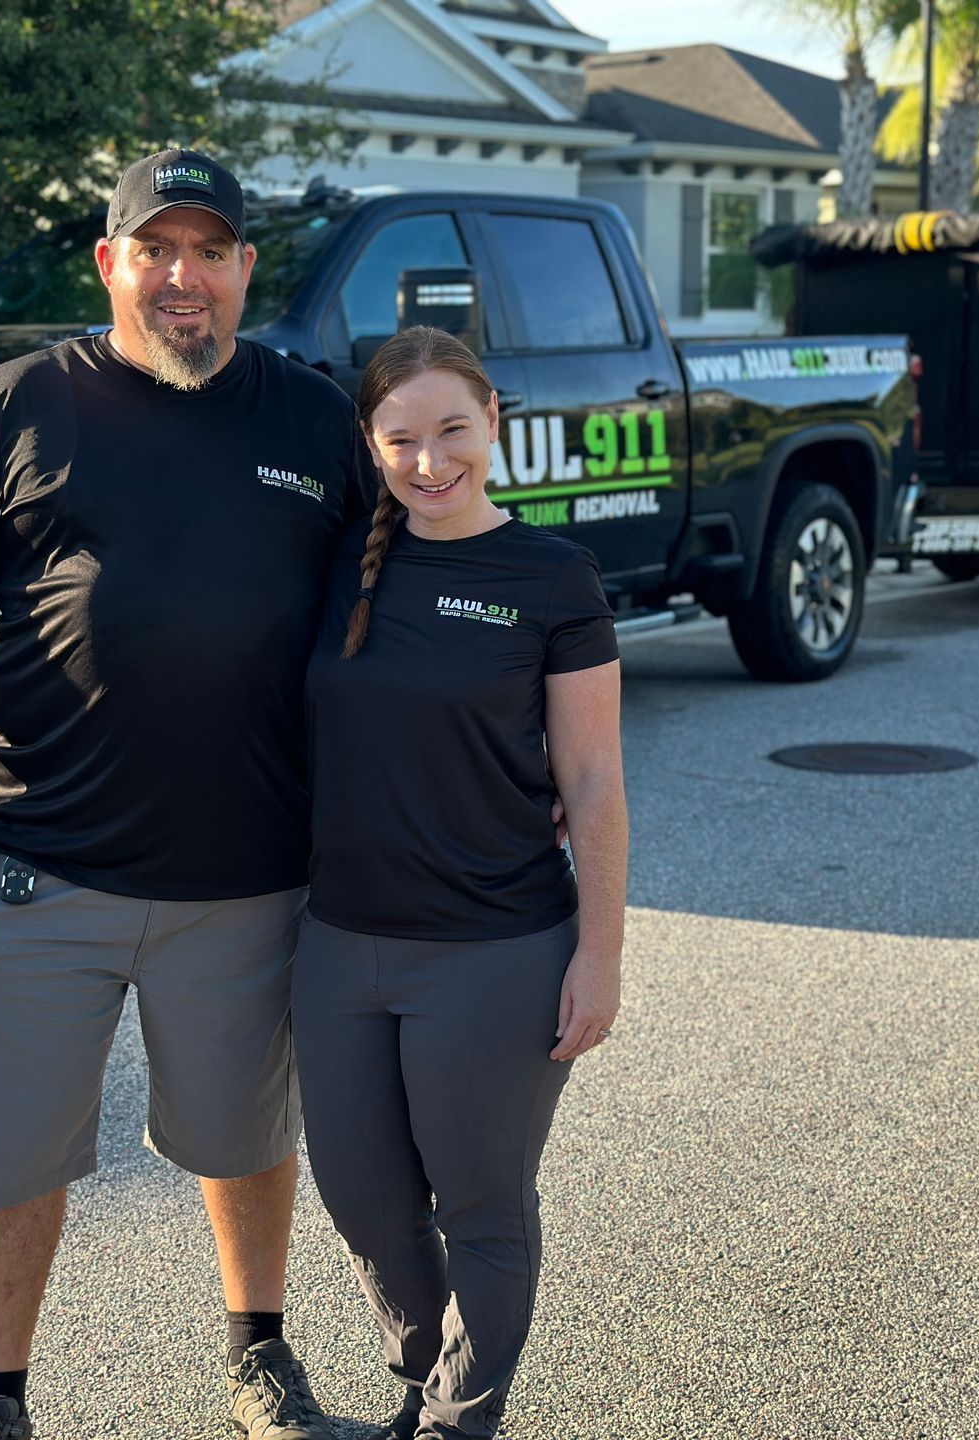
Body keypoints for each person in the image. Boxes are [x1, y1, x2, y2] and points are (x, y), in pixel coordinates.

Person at [0, 148, 369, 1440]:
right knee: (9, 1153)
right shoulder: (18, 405)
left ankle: (259, 1353)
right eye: (159, 250)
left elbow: (392, 621)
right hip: (46, 866)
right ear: (112, 264)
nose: (185, 278)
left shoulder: (316, 423)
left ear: (250, 269)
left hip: (254, 874)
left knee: (249, 1134)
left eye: (212, 252)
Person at [292, 327, 629, 1440]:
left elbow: (590, 778)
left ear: (495, 419)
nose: (428, 462)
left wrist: (600, 954)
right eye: (400, 438)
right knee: (362, 1197)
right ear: (370, 444)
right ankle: (427, 1376)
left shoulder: (550, 576)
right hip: (340, 943)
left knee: (481, 1203)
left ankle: (454, 1423)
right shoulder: (338, 559)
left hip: (497, 947)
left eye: (450, 431)